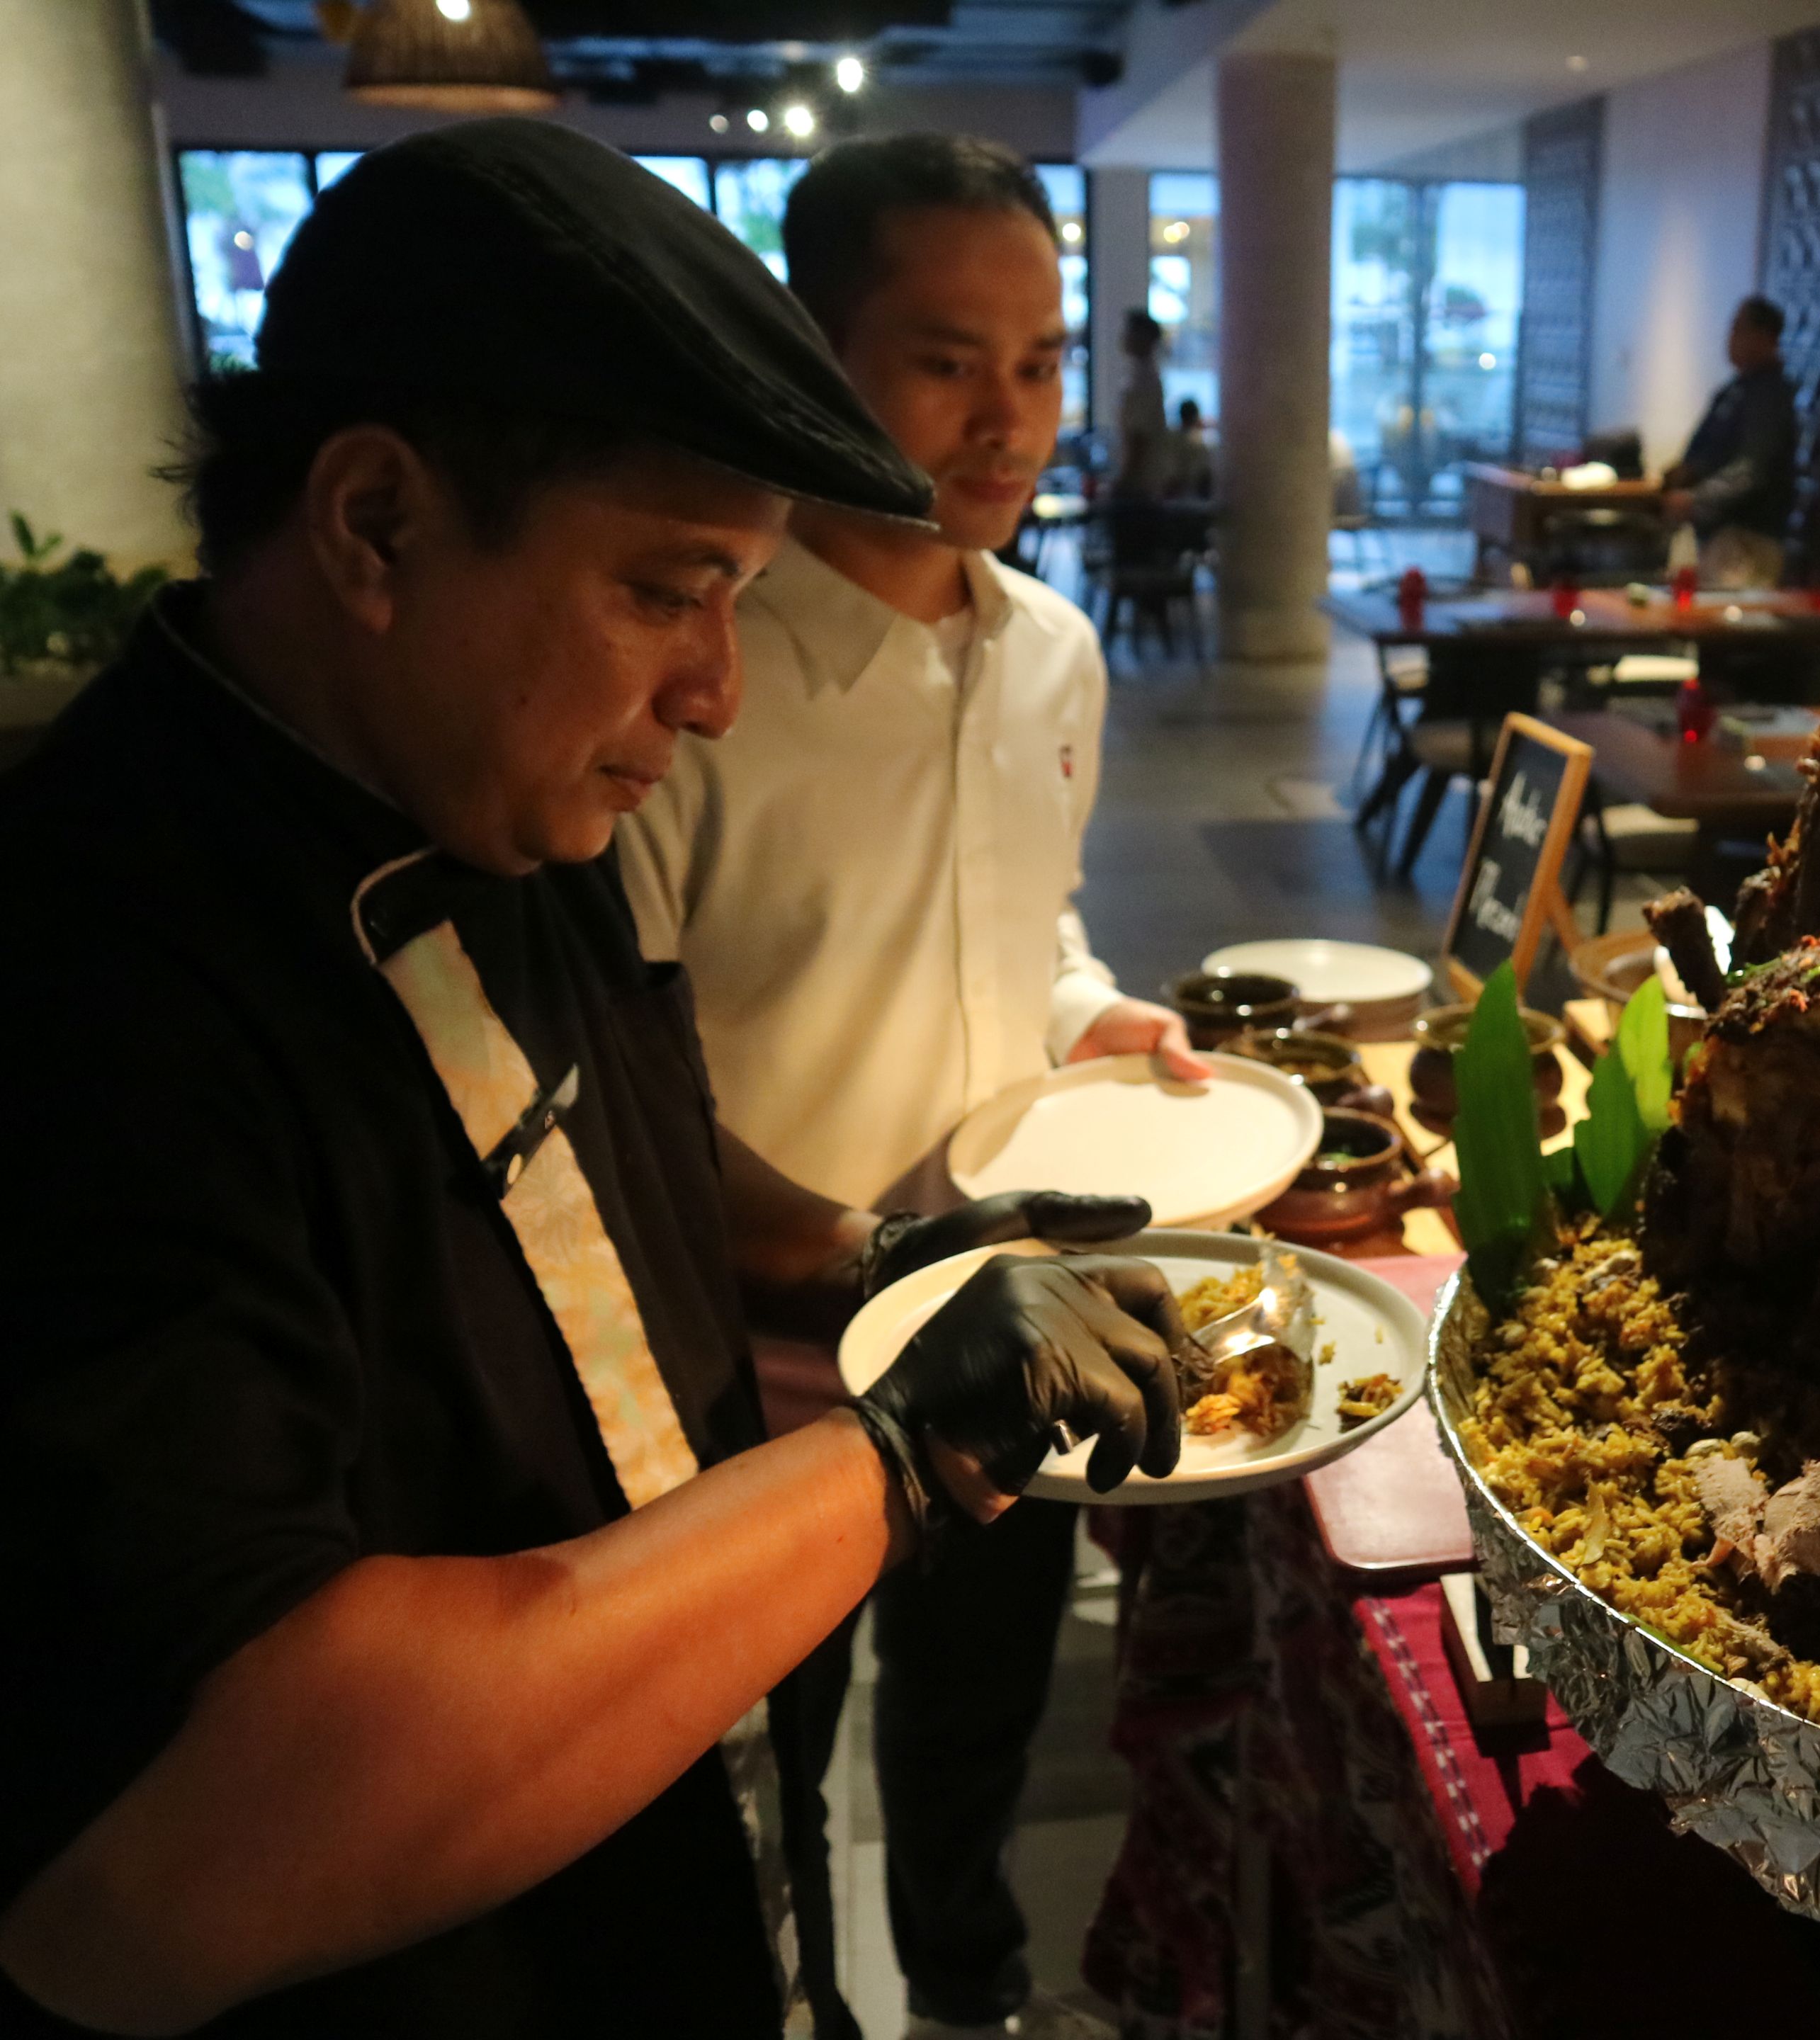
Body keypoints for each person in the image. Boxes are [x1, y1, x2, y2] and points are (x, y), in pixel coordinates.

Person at [0, 120, 1188, 2039]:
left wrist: (871, 1263)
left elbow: (599, 1179)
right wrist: (888, 1459)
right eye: (665, 589)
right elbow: (168, 1876)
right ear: (376, 526)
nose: (719, 690)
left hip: (683, 1872)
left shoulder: (473, 791)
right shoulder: (94, 988)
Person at [616, 135, 1199, 2040]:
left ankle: (972, 1993)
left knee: (976, 1720)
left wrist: (1092, 1008)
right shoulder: (697, 665)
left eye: (1040, 363)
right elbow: (611, 1090)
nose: (1009, 418)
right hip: (742, 1348)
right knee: (751, 1759)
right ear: (812, 348)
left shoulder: (1056, 652)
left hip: (997, 1307)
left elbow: (1027, 924)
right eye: (948, 359)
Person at [1661, 294, 1798, 589]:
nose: (1731, 338)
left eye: (1739, 329)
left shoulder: (1769, 397)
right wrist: (1689, 470)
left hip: (1748, 540)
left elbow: (1752, 468)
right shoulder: (1739, 390)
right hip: (1721, 536)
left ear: (1764, 337)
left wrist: (1697, 499)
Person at [1113, 308, 1172, 500]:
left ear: (1143, 337)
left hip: (1140, 487)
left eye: (1129, 331)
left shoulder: (1143, 379)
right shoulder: (1141, 374)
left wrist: (1124, 481)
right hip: (1143, 484)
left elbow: (1139, 437)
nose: (1124, 337)